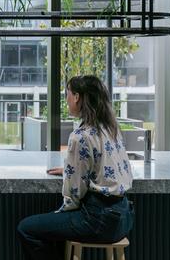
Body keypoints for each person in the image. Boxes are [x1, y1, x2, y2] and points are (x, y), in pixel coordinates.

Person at [16, 75, 134, 260]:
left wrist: (61, 208)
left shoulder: (80, 136)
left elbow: (73, 194)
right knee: (55, 230)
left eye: (67, 94)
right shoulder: (111, 128)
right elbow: (108, 166)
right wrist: (73, 168)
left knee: (27, 228)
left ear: (77, 97)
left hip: (98, 220)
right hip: (123, 218)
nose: (67, 99)